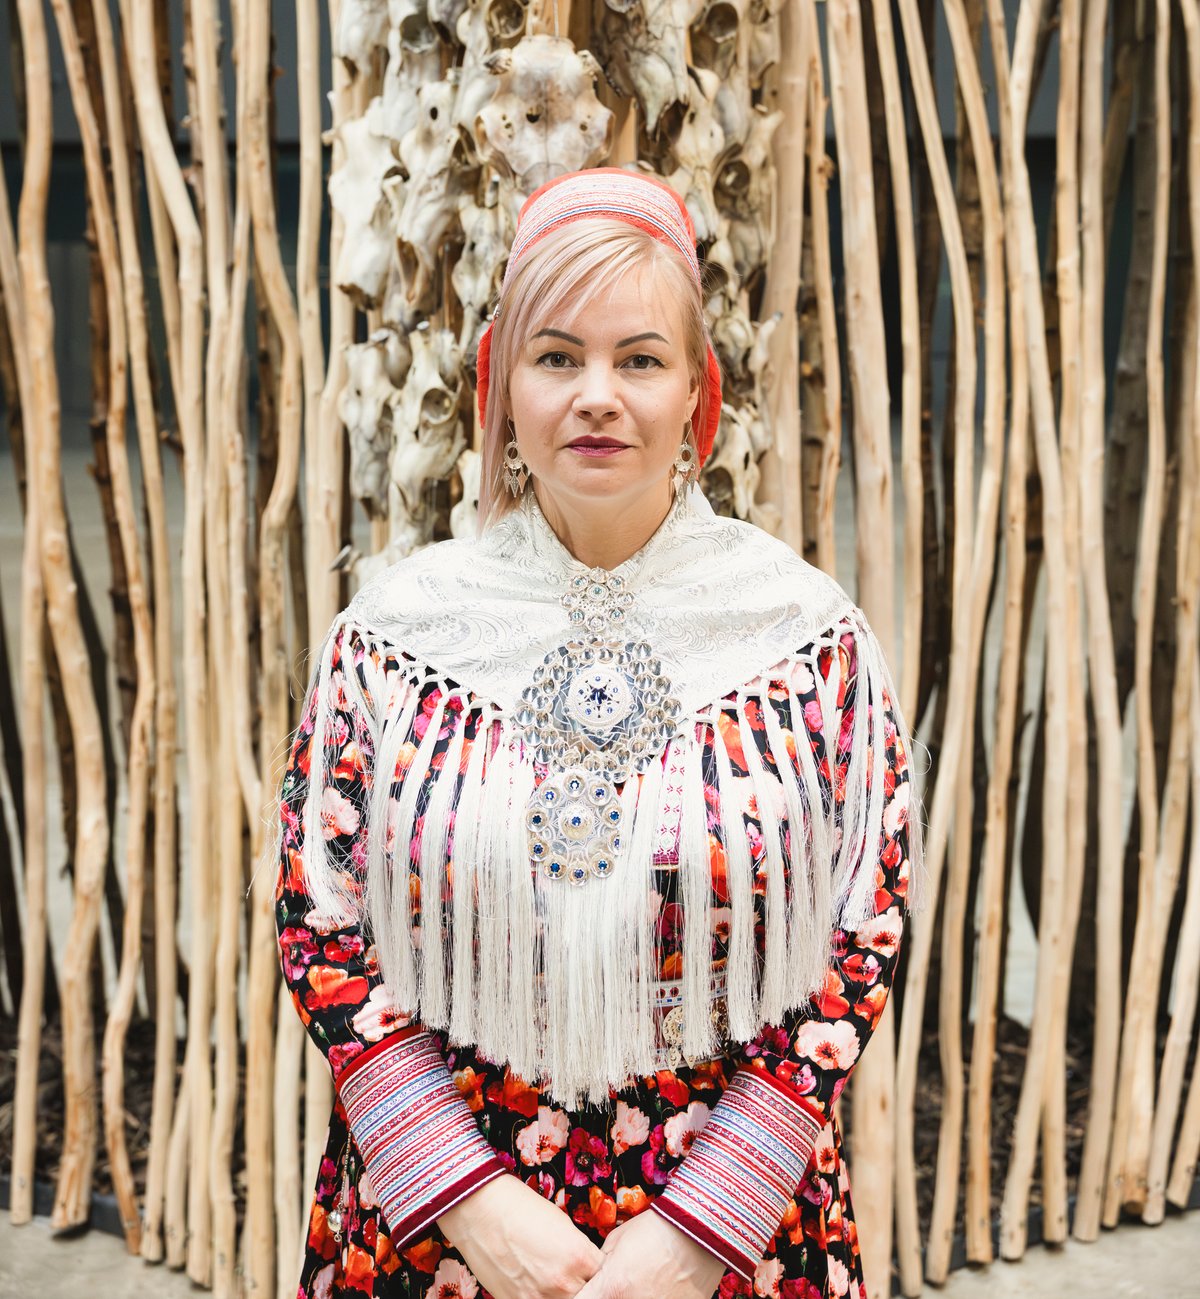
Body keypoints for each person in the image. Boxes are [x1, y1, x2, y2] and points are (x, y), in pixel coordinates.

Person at [276, 166, 925, 1299]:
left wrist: (704, 1226)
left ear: (696, 396)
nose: (597, 395)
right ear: (502, 387)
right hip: (441, 1225)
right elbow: (320, 924)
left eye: (639, 359)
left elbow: (859, 926)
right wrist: (472, 1206)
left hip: (732, 1227)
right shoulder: (396, 636)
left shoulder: (801, 637)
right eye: (558, 356)